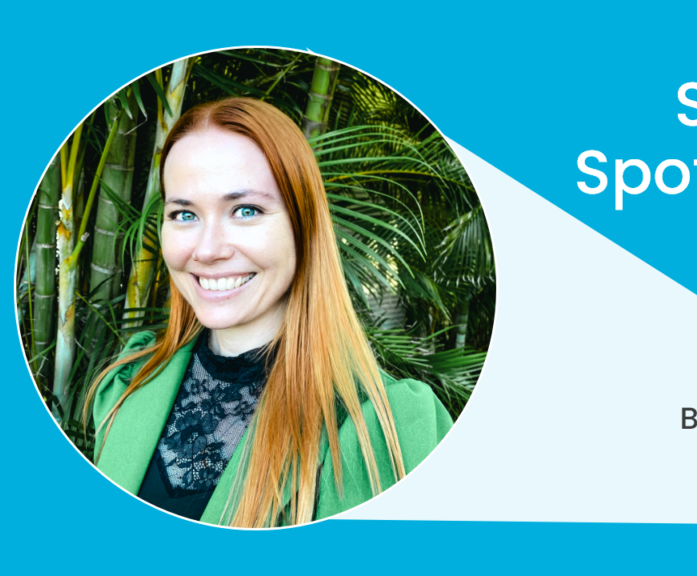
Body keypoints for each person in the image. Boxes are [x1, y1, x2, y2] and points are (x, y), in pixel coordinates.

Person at [83, 97, 453, 528]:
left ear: (303, 224)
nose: (206, 250)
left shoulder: (390, 429)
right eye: (184, 214)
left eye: (245, 211)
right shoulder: (126, 386)